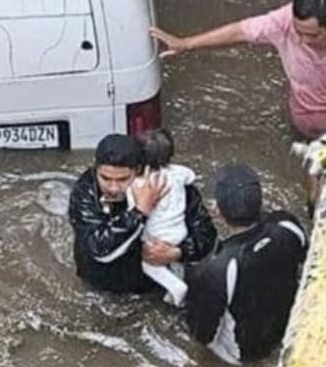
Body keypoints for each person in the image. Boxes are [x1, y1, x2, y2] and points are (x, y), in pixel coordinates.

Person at [150, 0, 326, 139]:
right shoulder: (285, 22)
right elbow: (241, 31)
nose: (302, 40)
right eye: (298, 32)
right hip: (307, 123)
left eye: (312, 36)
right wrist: (186, 44)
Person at [184, 165, 308, 364]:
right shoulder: (288, 225)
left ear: (217, 211)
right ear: (261, 201)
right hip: (287, 327)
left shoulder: (219, 268)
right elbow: (304, 261)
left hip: (241, 354)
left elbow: (202, 333)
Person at [68, 134, 217, 293]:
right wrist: (139, 212)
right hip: (103, 283)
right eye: (105, 178)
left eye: (123, 179)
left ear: (139, 171)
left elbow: (206, 235)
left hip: (154, 282)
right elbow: (98, 247)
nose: (113, 188)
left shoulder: (171, 185)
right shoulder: (86, 191)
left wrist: (178, 253)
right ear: (95, 170)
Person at [129, 129, 196, 306]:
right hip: (179, 232)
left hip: (157, 235)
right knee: (173, 257)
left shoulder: (138, 184)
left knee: (148, 263)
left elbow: (133, 210)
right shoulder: (179, 173)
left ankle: (176, 287)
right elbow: (191, 177)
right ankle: (174, 291)